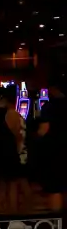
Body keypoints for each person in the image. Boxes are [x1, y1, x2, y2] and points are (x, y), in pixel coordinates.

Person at [35, 71, 67, 212]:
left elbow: (44, 129)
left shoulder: (49, 106)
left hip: (55, 150)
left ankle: (57, 223)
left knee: (55, 187)